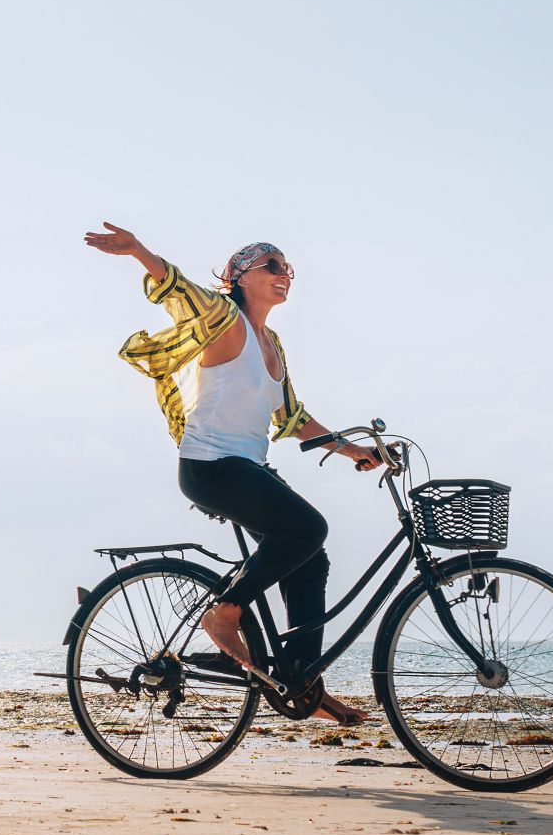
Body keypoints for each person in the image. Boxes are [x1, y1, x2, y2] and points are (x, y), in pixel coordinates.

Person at [85, 221, 382, 726]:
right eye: (272, 265)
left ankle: (301, 680)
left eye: (288, 268)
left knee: (311, 557)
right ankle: (225, 612)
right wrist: (138, 251)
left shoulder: (273, 344)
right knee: (308, 528)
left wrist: (354, 448)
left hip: (246, 466)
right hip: (210, 466)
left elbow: (290, 417)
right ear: (241, 276)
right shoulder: (224, 318)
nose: (284, 274)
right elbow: (178, 289)